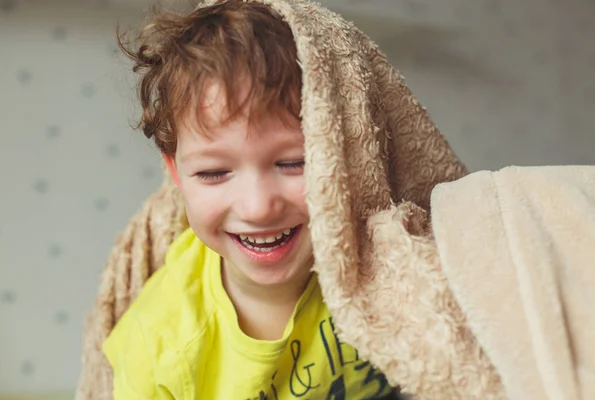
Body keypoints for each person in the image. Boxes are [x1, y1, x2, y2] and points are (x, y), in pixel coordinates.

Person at [102, 0, 399, 398]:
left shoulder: (396, 270)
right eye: (213, 173)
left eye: (294, 163)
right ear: (176, 175)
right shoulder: (158, 346)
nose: (258, 207)